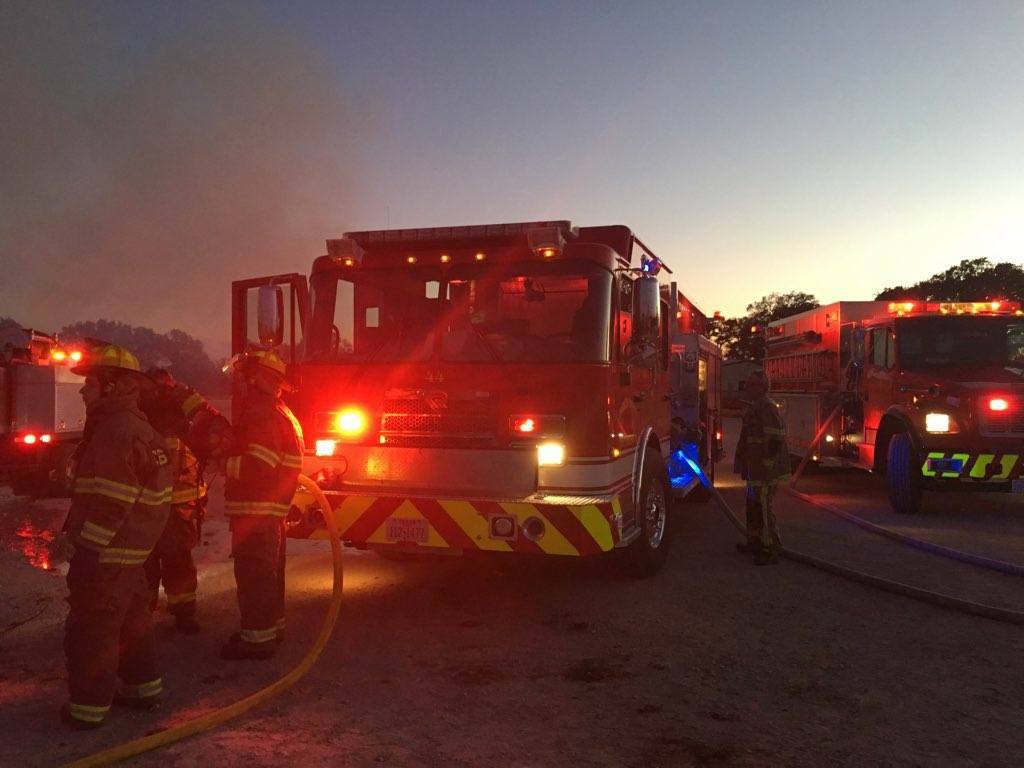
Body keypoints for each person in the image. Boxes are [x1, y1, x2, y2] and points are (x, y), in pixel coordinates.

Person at [61, 344, 173, 729]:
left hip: (108, 552)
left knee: (92, 630)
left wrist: (89, 549)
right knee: (133, 624)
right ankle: (143, 690)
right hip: (133, 552)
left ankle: (87, 711)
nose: (82, 390)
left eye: (89, 382)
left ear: (112, 385)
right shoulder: (141, 428)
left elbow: (112, 502)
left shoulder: (115, 432)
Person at [218, 349, 303, 660]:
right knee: (267, 574)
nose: (238, 381)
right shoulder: (278, 410)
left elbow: (261, 466)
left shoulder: (260, 411)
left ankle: (256, 642)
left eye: (242, 375)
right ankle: (271, 628)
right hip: (268, 512)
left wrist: (224, 461)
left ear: (255, 378)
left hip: (256, 510)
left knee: (255, 576)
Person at [140, 369, 225, 635]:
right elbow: (212, 425)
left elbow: (210, 426)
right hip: (179, 500)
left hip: (150, 502)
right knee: (176, 559)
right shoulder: (182, 404)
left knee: (148, 560)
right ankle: (182, 615)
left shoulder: (139, 405)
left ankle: (144, 612)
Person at [733, 369, 789, 565]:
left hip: (766, 468)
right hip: (754, 467)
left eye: (751, 384)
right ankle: (754, 540)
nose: (746, 388)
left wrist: (768, 463)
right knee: (752, 504)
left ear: (761, 387)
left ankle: (770, 546)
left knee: (763, 506)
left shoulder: (768, 408)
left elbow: (776, 437)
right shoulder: (754, 407)